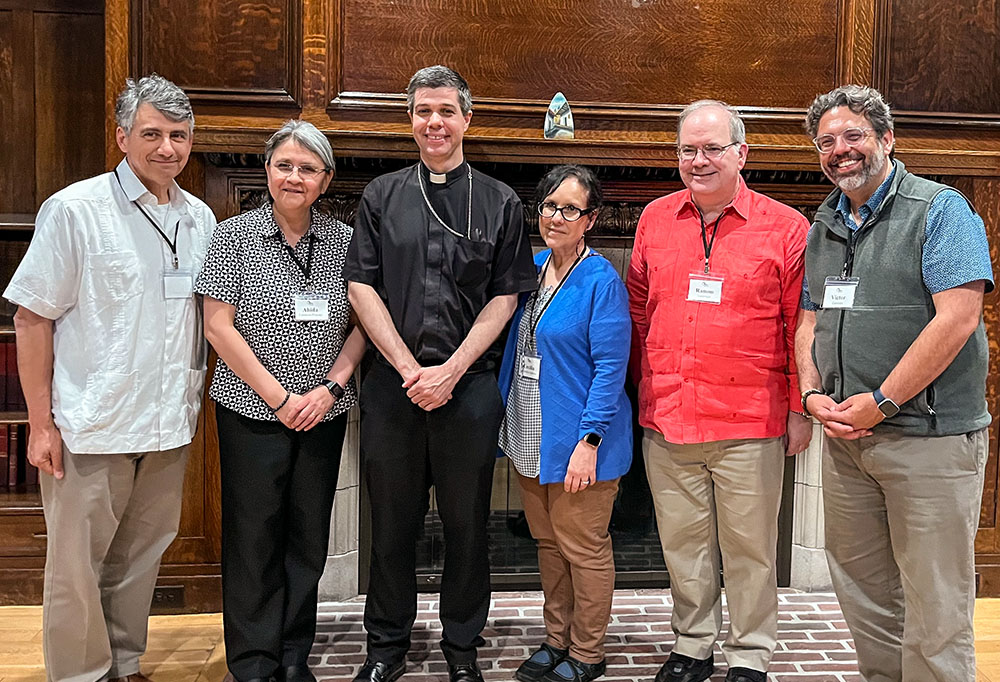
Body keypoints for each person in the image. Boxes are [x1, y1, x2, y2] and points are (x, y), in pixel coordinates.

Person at [3, 74, 216, 682]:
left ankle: (123, 666)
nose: (166, 148)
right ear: (122, 136)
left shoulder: (199, 218)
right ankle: (80, 675)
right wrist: (40, 425)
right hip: (90, 425)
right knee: (76, 567)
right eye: (151, 133)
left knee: (140, 559)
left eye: (178, 135)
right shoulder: (75, 209)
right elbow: (31, 316)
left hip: (167, 425)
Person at [342, 65, 536, 682]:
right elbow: (361, 286)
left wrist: (450, 371)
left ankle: (461, 647)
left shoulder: (501, 200)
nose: (435, 122)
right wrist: (407, 368)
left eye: (446, 110)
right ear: (410, 119)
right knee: (391, 526)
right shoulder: (380, 195)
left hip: (468, 390)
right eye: (424, 110)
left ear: (466, 119)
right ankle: (386, 647)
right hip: (392, 390)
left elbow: (507, 296)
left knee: (467, 525)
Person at [795, 84, 993, 682]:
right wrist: (810, 396)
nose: (840, 150)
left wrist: (881, 402)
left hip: (928, 442)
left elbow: (958, 316)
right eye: (826, 142)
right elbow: (810, 320)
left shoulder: (940, 209)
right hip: (847, 443)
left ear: (886, 138)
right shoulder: (823, 223)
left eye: (853, 136)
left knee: (936, 606)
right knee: (866, 597)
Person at [626, 100, 811, 682]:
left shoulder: (787, 228)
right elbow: (637, 308)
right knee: (684, 548)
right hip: (669, 415)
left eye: (712, 149)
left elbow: (799, 324)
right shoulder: (655, 218)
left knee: (750, 549)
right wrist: (641, 388)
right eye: (688, 149)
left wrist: (800, 407)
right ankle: (692, 645)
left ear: (741, 153)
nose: (698, 160)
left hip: (751, 420)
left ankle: (751, 653)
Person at [195, 120, 366, 682]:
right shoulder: (231, 237)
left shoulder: (345, 243)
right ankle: (253, 660)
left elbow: (364, 325)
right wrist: (277, 397)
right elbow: (218, 328)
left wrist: (328, 390)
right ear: (267, 170)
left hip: (323, 412)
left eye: (307, 168)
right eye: (284, 165)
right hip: (251, 410)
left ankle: (293, 655)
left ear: (326, 178)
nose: (295, 177)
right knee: (253, 535)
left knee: (308, 534)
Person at [497, 165, 632, 682]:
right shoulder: (530, 268)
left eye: (570, 209)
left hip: (580, 443)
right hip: (530, 435)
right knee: (549, 546)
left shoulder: (602, 281)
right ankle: (556, 640)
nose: (556, 216)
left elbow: (610, 369)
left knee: (584, 548)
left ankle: (588, 653)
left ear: (590, 219)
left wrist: (589, 440)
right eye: (550, 205)